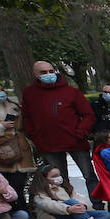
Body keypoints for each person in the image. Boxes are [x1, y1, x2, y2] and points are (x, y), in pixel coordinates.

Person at [20, 61, 95, 189]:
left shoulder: (71, 92)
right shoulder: (29, 93)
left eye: (51, 71)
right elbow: (27, 117)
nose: (48, 74)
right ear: (35, 74)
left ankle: (98, 204)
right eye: (43, 72)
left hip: (75, 140)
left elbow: (88, 115)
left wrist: (80, 132)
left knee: (89, 175)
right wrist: (34, 135)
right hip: (48, 143)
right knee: (58, 179)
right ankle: (68, 205)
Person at [30, 164, 110, 219]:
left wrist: (83, 206)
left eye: (59, 175)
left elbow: (78, 198)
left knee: (103, 214)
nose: (58, 178)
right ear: (44, 178)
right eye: (54, 176)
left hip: (73, 215)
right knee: (71, 202)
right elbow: (48, 205)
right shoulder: (40, 192)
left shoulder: (66, 187)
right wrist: (68, 208)